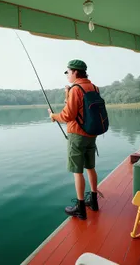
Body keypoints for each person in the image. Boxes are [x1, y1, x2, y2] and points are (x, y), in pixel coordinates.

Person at [48, 59, 99, 220]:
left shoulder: (76, 89)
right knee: (90, 167)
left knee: (77, 171)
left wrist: (53, 116)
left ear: (75, 72)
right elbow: (81, 109)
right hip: (92, 134)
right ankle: (94, 201)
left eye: (68, 72)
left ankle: (80, 208)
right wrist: (67, 94)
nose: (67, 75)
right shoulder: (94, 87)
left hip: (77, 135)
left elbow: (67, 115)